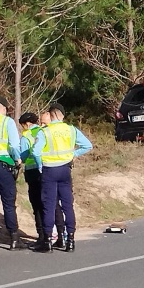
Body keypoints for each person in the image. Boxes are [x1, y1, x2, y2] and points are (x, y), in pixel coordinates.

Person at [32, 102, 92, 252]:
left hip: (49, 171)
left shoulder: (45, 131)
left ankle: (47, 242)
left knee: (49, 205)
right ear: (62, 115)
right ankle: (70, 239)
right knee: (67, 205)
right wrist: (72, 155)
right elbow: (87, 145)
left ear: (51, 115)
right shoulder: (71, 129)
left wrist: (40, 165)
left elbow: (35, 152)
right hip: (65, 170)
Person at [19, 112, 66, 249]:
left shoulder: (26, 136)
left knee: (37, 205)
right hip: (48, 169)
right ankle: (61, 236)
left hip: (33, 172)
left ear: (27, 124)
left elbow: (23, 154)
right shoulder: (44, 131)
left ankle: (43, 237)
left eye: (23, 125)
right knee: (52, 203)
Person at [0, 96, 23, 251]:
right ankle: (14, 238)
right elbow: (14, 145)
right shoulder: (6, 122)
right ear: (2, 108)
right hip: (3, 165)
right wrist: (18, 160)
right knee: (8, 203)